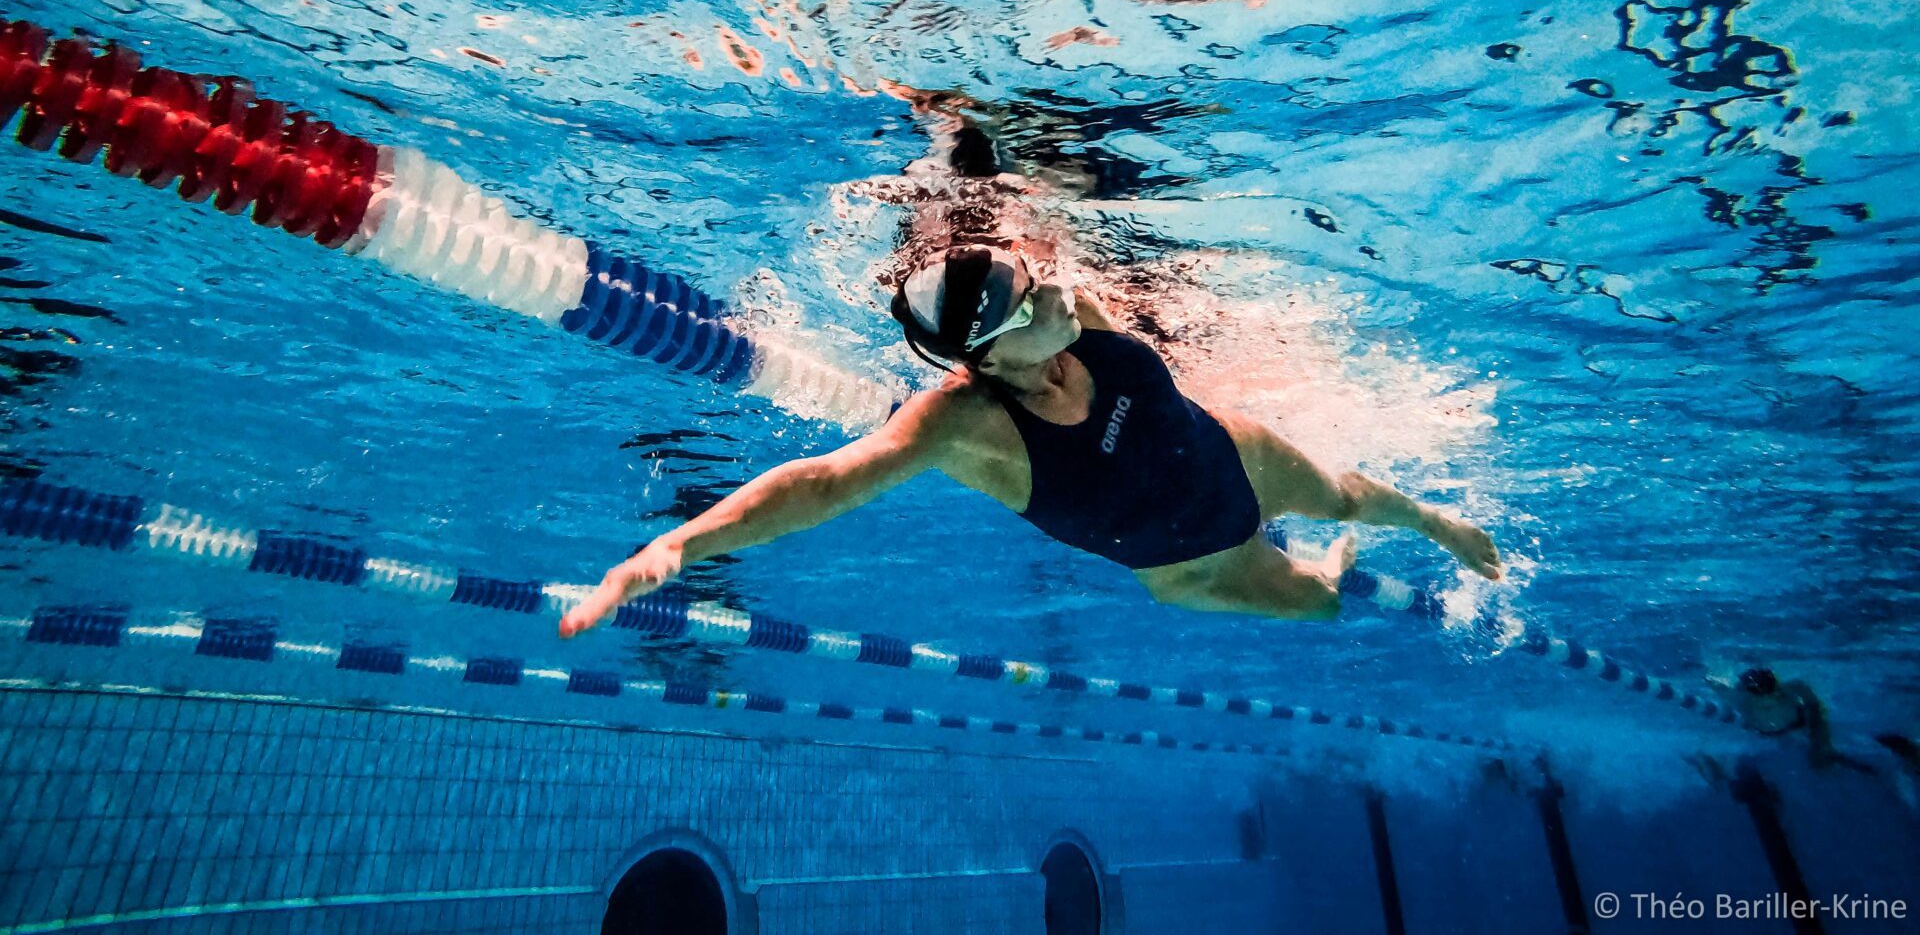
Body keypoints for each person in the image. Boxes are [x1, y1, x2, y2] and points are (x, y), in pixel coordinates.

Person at [562, 245, 1502, 637]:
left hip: (1240, 458)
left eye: (1031, 269)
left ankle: (1435, 522)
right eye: (1026, 292)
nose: (1052, 285)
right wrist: (676, 546)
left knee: (1344, 493)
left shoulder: (1073, 313)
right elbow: (824, 484)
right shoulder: (962, 424)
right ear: (990, 351)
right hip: (1189, 564)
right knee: (1320, 607)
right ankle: (1329, 565)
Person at [1711, 667, 1877, 773]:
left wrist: (1819, 742)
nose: (1765, 694)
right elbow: (1717, 685)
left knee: (1823, 753)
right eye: (1760, 689)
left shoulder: (1790, 689)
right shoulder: (1743, 697)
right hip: (1776, 731)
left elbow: (1813, 706)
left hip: (1793, 729)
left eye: (1768, 688)